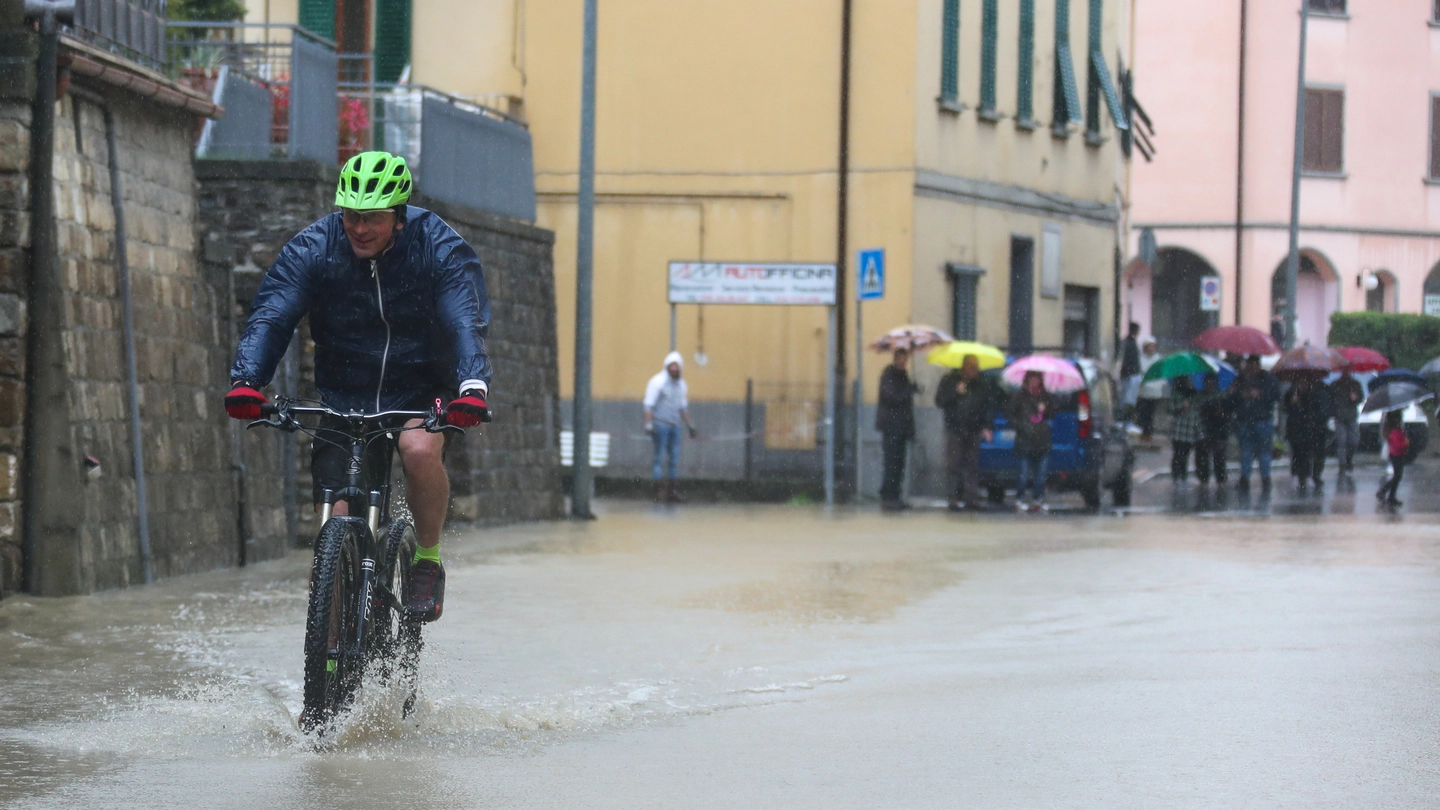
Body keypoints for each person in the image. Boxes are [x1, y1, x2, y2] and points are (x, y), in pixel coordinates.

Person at [225, 151, 491, 623]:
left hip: (421, 383)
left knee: (418, 450)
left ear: (399, 217)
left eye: (371, 218)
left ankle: (427, 559)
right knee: (333, 526)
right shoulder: (314, 247)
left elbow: (463, 320)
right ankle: (326, 673)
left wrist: (472, 386)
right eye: (350, 216)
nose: (359, 228)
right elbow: (273, 313)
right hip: (345, 390)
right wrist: (248, 380)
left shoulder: (438, 247)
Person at [935, 354, 995, 511]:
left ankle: (971, 499)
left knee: (972, 466)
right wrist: (955, 392)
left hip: (973, 429)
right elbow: (940, 401)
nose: (974, 371)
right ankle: (953, 499)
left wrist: (987, 426)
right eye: (972, 367)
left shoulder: (981, 384)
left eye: (976, 368)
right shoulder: (949, 380)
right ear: (964, 367)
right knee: (953, 465)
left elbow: (987, 405)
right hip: (955, 428)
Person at [643, 351, 698, 503]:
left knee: (674, 459)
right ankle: (658, 491)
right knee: (659, 458)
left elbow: (683, 408)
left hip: (675, 427)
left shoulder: (681, 385)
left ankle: (672, 491)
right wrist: (648, 424)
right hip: (660, 426)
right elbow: (648, 405)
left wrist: (691, 425)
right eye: (672, 366)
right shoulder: (657, 382)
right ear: (667, 367)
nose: (674, 369)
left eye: (677, 366)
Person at [875, 348, 919, 511]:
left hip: (902, 428)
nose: (902, 361)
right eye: (900, 358)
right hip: (891, 427)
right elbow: (891, 397)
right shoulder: (888, 375)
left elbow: (905, 404)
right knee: (891, 464)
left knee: (899, 464)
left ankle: (896, 496)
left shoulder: (903, 375)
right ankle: (888, 497)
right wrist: (909, 391)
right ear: (895, 358)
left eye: (904, 358)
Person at [1230, 355, 1281, 492]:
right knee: (1246, 451)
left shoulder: (1268, 379)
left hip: (1262, 420)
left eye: (1254, 366)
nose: (1251, 369)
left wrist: (1260, 394)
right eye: (1249, 366)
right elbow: (1233, 399)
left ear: (1258, 365)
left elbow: (1276, 395)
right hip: (1245, 421)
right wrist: (1239, 395)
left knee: (1264, 451)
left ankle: (1265, 478)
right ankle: (1245, 478)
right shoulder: (1240, 380)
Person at [1008, 370, 1054, 512]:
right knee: (1023, 475)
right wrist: (1020, 426)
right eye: (1031, 379)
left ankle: (1038, 499)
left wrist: (1045, 409)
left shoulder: (1046, 396)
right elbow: (1009, 413)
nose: (1034, 382)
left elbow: (1053, 412)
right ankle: (1019, 499)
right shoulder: (1020, 396)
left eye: (1037, 379)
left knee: (1041, 476)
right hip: (1025, 442)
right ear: (1027, 380)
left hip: (1042, 441)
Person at [1284, 375, 1333, 491]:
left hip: (1313, 429)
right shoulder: (1292, 392)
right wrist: (1293, 403)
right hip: (1296, 429)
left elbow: (1321, 409)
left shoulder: (1318, 391)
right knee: (1298, 453)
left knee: (1312, 453)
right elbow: (1287, 408)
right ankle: (1298, 475)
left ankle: (1311, 475)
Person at [1195, 372, 1232, 486]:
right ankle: (1203, 478)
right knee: (1202, 456)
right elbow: (1197, 410)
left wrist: (1222, 413)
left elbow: (1227, 413)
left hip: (1219, 430)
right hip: (1203, 429)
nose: (1210, 384)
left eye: (1212, 382)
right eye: (1207, 382)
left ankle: (1220, 478)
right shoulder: (1200, 396)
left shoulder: (1222, 396)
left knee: (1219, 456)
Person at [1329, 369, 1364, 476]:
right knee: (1341, 441)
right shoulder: (1335, 385)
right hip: (1339, 417)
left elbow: (1360, 398)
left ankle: (1348, 459)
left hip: (1351, 416)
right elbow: (1330, 400)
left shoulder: (1355, 384)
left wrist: (1355, 398)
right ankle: (1342, 465)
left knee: (1354, 441)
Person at [1169, 376, 1201, 485]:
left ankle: (1183, 476)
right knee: (1178, 454)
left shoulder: (1194, 394)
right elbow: (1171, 409)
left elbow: (1197, 409)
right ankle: (1176, 476)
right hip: (1178, 430)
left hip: (1189, 429)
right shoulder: (1175, 393)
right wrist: (1181, 407)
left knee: (1185, 455)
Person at [1376, 410, 1409, 507]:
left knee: (1398, 476)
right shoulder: (1395, 430)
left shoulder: (1393, 428)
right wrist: (1406, 442)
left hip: (1396, 454)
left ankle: (1391, 496)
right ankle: (1383, 492)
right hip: (1397, 454)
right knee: (1398, 476)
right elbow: (1398, 444)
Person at [1136, 340, 1165, 441]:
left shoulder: (1158, 359)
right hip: (1143, 391)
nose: (1151, 349)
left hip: (1154, 391)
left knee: (1150, 414)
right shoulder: (1140, 359)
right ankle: (1143, 432)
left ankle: (1148, 433)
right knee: (1143, 413)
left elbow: (1162, 375)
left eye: (1153, 346)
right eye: (1149, 346)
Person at [1118, 322, 1143, 421]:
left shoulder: (1129, 342)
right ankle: (1126, 419)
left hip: (1129, 373)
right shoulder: (1129, 343)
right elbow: (1127, 359)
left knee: (1128, 399)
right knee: (1128, 399)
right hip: (1130, 374)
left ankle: (1126, 419)